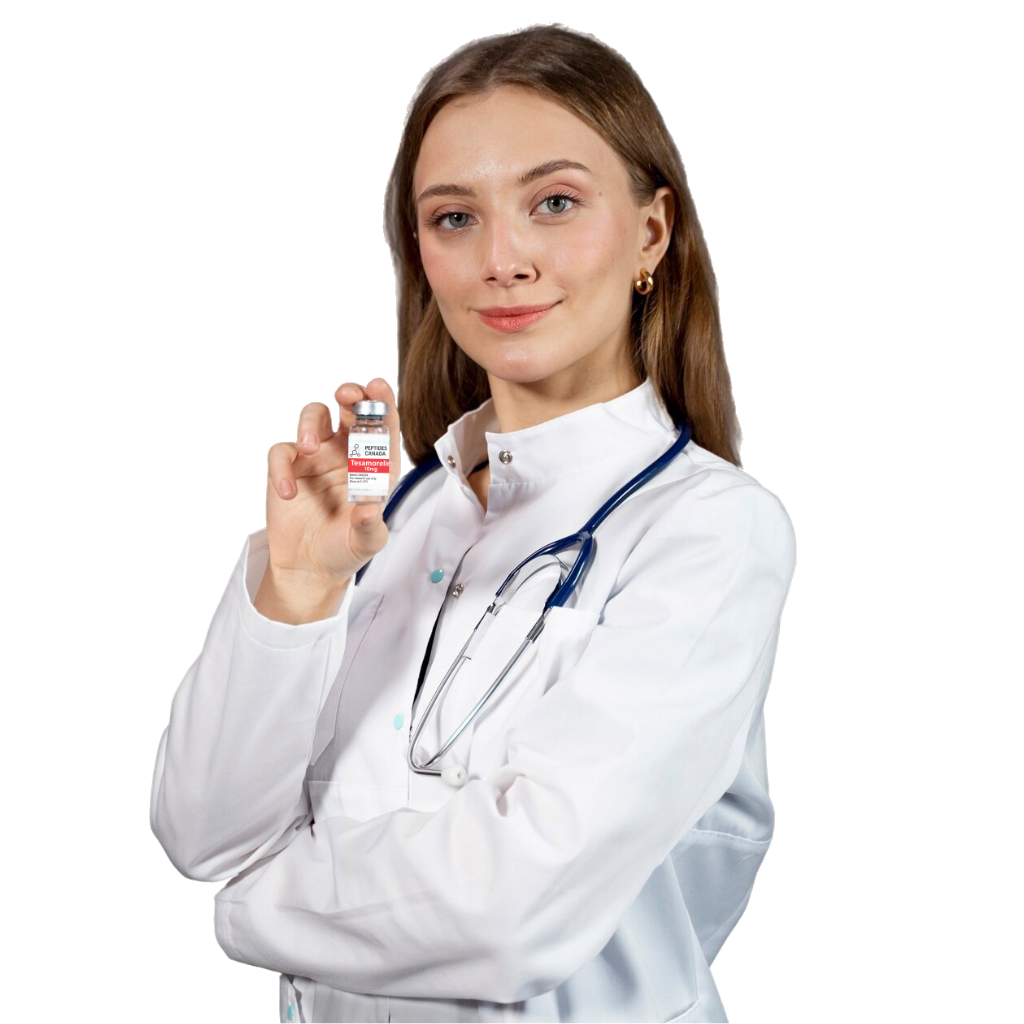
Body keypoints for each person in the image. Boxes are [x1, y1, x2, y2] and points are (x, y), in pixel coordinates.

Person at [150, 22, 797, 1024]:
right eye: (454, 218)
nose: (502, 259)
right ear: (419, 252)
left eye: (554, 202)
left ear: (651, 233)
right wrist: (298, 592)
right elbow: (199, 830)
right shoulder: (390, 516)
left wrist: (250, 907)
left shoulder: (710, 532)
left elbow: (510, 912)